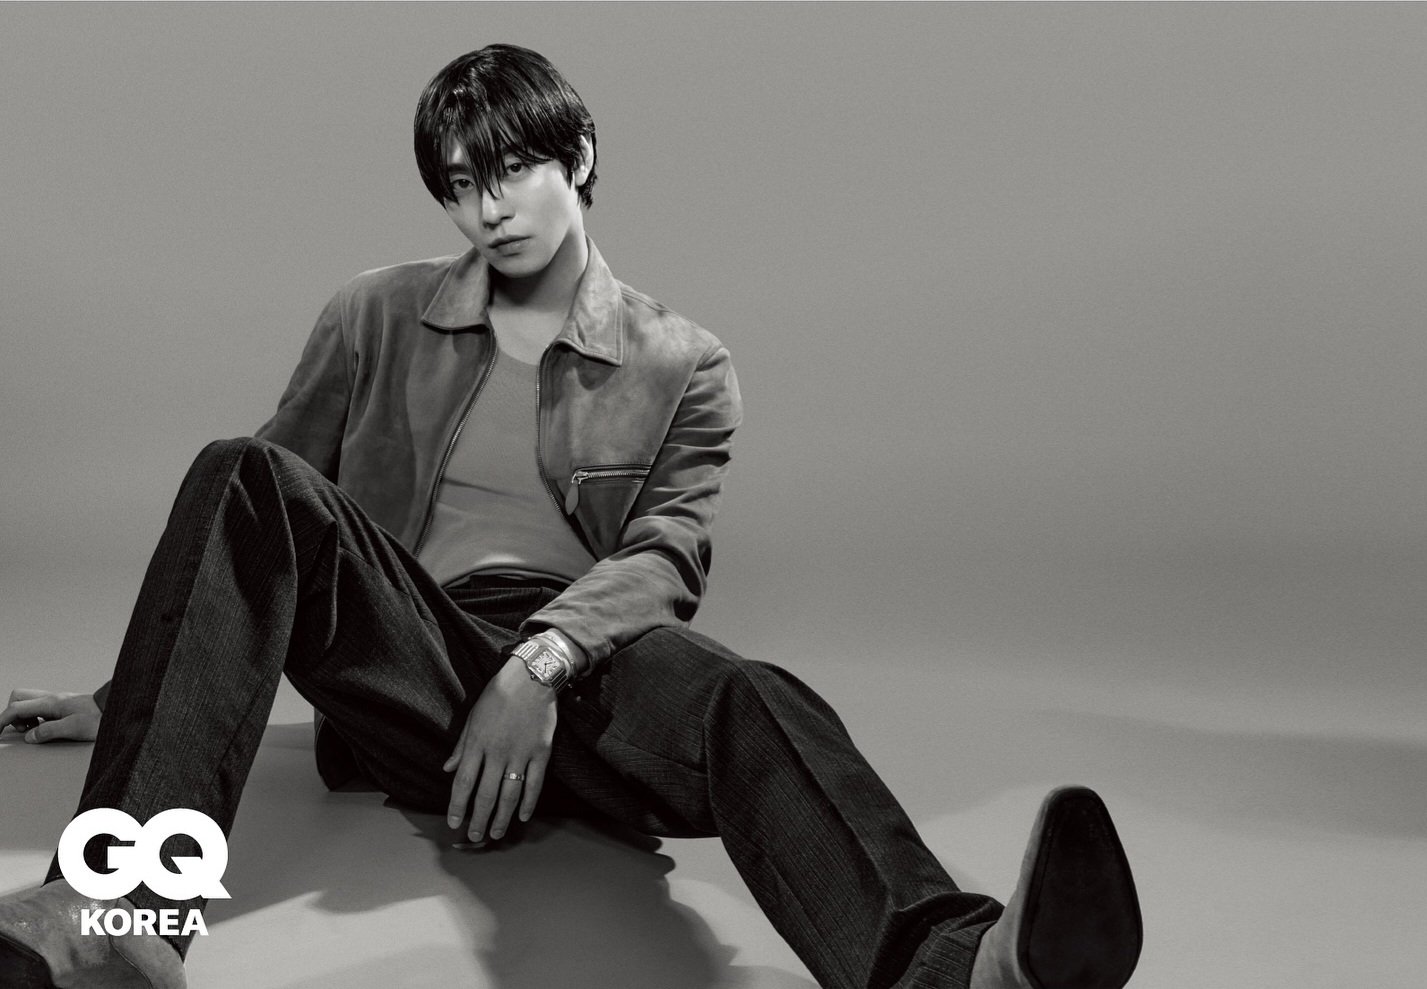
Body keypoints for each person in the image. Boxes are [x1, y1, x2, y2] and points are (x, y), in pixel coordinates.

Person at [0, 44, 1141, 989]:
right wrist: (123, 694)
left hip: (590, 663)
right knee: (245, 467)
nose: (485, 209)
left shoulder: (682, 361)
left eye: (508, 170)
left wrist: (538, 664)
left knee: (755, 695)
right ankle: (112, 911)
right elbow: (255, 530)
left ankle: (961, 964)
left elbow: (665, 556)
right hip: (410, 647)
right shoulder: (372, 314)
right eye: (458, 184)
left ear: (579, 155)